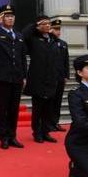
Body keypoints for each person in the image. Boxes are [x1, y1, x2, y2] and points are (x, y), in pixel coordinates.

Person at [0, 4, 27, 149]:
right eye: (6, 16)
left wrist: (24, 76)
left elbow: (22, 57)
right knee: (2, 109)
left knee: (13, 109)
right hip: (2, 78)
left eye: (11, 16)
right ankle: (3, 137)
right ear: (1, 18)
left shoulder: (19, 35)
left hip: (16, 77)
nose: (10, 19)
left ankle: (12, 136)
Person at [21, 15, 61, 143]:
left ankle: (46, 132)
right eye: (44, 24)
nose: (47, 26)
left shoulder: (54, 40)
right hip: (38, 78)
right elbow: (24, 35)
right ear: (38, 26)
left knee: (48, 108)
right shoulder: (33, 39)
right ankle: (37, 132)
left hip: (51, 79)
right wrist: (34, 25)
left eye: (48, 23)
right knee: (38, 108)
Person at [49, 19, 69, 132]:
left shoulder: (63, 44)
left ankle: (55, 122)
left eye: (59, 29)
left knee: (58, 101)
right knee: (50, 101)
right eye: (55, 29)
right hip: (50, 77)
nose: (58, 32)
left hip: (60, 77)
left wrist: (66, 75)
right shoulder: (47, 42)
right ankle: (47, 123)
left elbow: (65, 61)